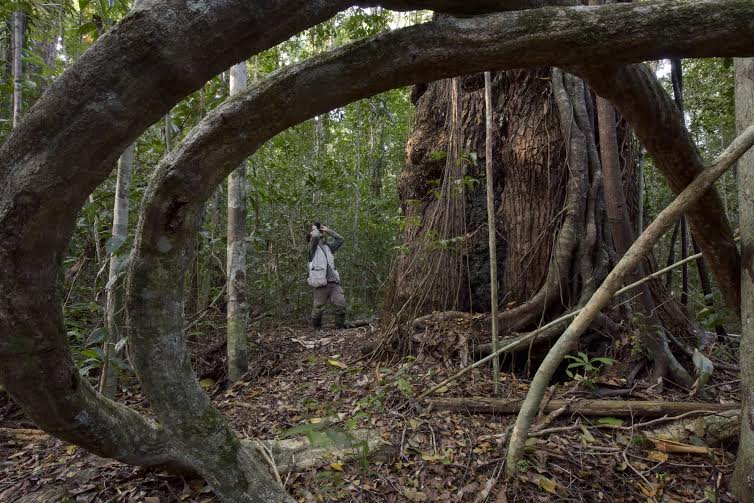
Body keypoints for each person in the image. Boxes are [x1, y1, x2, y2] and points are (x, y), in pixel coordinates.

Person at [307, 223, 347, 329]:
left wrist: (328, 231)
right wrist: (315, 228)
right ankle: (316, 329)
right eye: (321, 231)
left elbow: (340, 240)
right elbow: (315, 237)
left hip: (333, 282)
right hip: (320, 283)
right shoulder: (312, 249)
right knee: (318, 309)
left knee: (341, 305)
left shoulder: (328, 247)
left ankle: (340, 328)